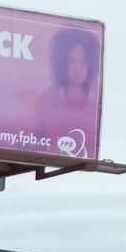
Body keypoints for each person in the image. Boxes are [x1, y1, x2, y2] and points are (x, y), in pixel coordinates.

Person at [33, 27, 100, 160]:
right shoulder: (46, 99)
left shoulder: (96, 106)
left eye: (84, 62)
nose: (77, 68)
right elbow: (35, 144)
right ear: (62, 62)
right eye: (71, 61)